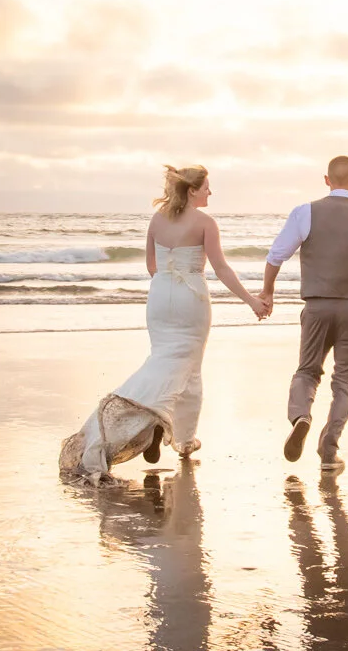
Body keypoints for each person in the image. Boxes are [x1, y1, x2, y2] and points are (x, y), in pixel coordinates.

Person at [59, 165, 268, 482]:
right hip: (190, 298)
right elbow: (222, 269)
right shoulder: (205, 223)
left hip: (160, 297)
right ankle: (182, 440)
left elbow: (151, 267)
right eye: (207, 187)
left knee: (161, 360)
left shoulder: (157, 220)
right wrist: (252, 300)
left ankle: (156, 424)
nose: (210, 192)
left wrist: (168, 283)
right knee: (190, 370)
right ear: (193, 190)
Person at [259, 155, 348, 473]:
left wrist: (267, 292)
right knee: (344, 382)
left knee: (307, 372)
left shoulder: (304, 212)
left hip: (317, 306)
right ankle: (328, 450)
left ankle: (301, 417)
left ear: (326, 180)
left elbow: (276, 255)